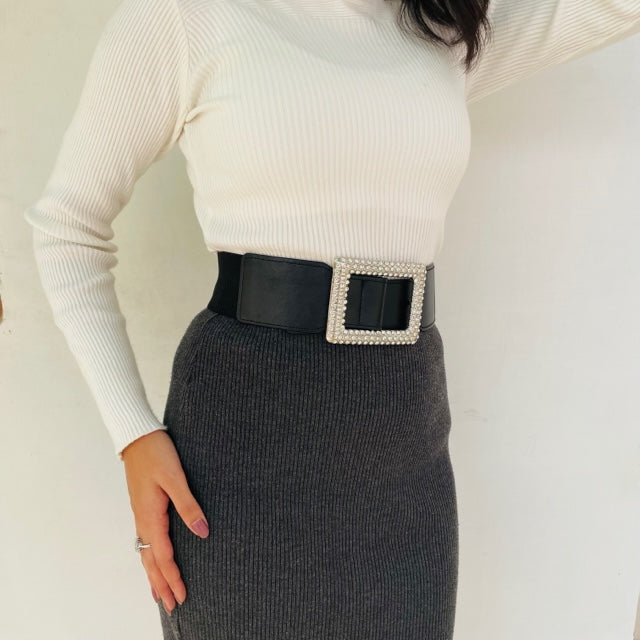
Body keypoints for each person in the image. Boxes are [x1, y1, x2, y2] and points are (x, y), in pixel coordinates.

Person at [23, 0, 640, 638]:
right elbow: (68, 228)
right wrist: (133, 433)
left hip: (404, 440)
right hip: (245, 444)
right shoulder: (187, 18)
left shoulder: (443, 27)